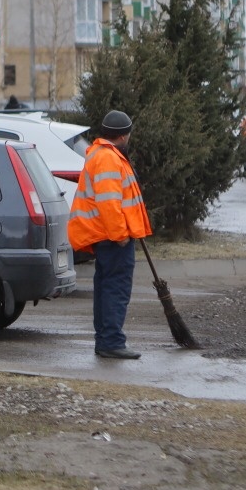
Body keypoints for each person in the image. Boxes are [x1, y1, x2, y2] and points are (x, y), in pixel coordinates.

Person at [68, 110, 152, 359]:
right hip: (112, 237)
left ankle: (106, 340)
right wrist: (120, 235)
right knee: (115, 288)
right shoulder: (109, 159)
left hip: (106, 235)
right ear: (125, 136)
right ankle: (111, 341)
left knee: (106, 287)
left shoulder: (103, 154)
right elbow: (109, 202)